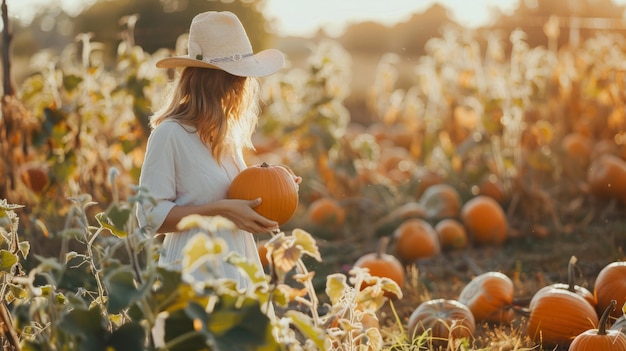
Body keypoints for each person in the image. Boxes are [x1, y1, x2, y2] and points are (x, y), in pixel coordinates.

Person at [137, 11, 295, 289]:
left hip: (238, 263)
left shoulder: (225, 135)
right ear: (210, 81)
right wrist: (219, 211)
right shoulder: (170, 134)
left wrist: (277, 189)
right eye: (236, 77)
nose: (242, 85)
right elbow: (149, 217)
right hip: (193, 269)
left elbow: (233, 195)